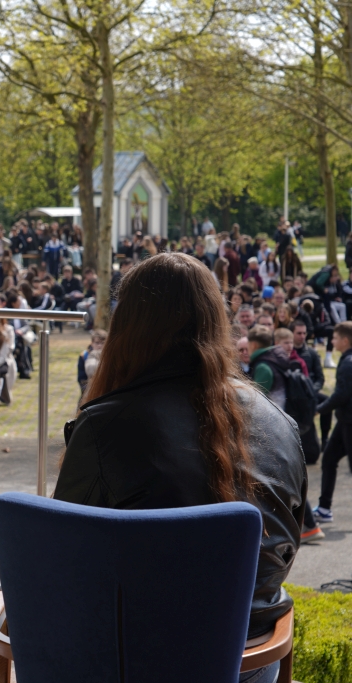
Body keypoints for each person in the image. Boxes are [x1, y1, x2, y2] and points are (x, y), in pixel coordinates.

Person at [53, 253, 306, 682]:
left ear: (128, 326)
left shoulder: (104, 425)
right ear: (215, 319)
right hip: (253, 655)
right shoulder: (281, 423)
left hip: (141, 658)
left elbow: (61, 560)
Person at [313, 321, 352, 526]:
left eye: (335, 338)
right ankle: (324, 508)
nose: (332, 342)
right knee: (328, 459)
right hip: (344, 421)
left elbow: (341, 395)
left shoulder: (347, 363)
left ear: (345, 341)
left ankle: (324, 508)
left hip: (349, 423)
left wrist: (319, 409)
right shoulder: (346, 360)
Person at [294, 320, 329, 465]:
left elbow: (320, 378)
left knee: (327, 402)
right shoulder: (287, 351)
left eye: (304, 333)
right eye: (299, 333)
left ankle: (325, 438)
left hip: (311, 393)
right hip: (295, 396)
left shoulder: (312, 353)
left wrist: (312, 393)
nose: (302, 336)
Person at [77, 329, 107, 398]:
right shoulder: (84, 355)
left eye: (103, 343)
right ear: (92, 343)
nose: (100, 346)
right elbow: (81, 378)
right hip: (88, 390)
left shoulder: (109, 356)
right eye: (97, 343)